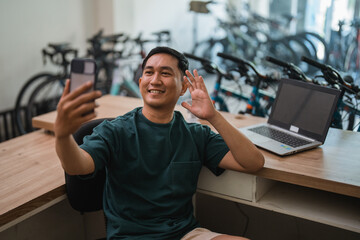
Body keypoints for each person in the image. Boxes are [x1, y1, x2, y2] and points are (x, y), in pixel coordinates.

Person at [54, 46, 264, 239]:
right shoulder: (116, 131)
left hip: (185, 233)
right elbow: (78, 166)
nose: (155, 80)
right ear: (140, 82)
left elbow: (253, 162)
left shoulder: (196, 134)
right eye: (149, 72)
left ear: (183, 88)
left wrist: (213, 116)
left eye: (165, 73)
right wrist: (62, 136)